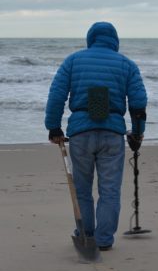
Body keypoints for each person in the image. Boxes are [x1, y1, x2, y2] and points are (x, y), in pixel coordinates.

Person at [45, 21, 147, 251]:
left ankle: (85, 233)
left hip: (81, 133)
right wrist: (138, 133)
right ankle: (103, 240)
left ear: (90, 38)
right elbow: (139, 103)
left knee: (82, 189)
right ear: (115, 41)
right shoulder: (127, 65)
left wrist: (53, 127)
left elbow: (57, 95)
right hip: (112, 134)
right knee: (110, 190)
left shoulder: (73, 61)